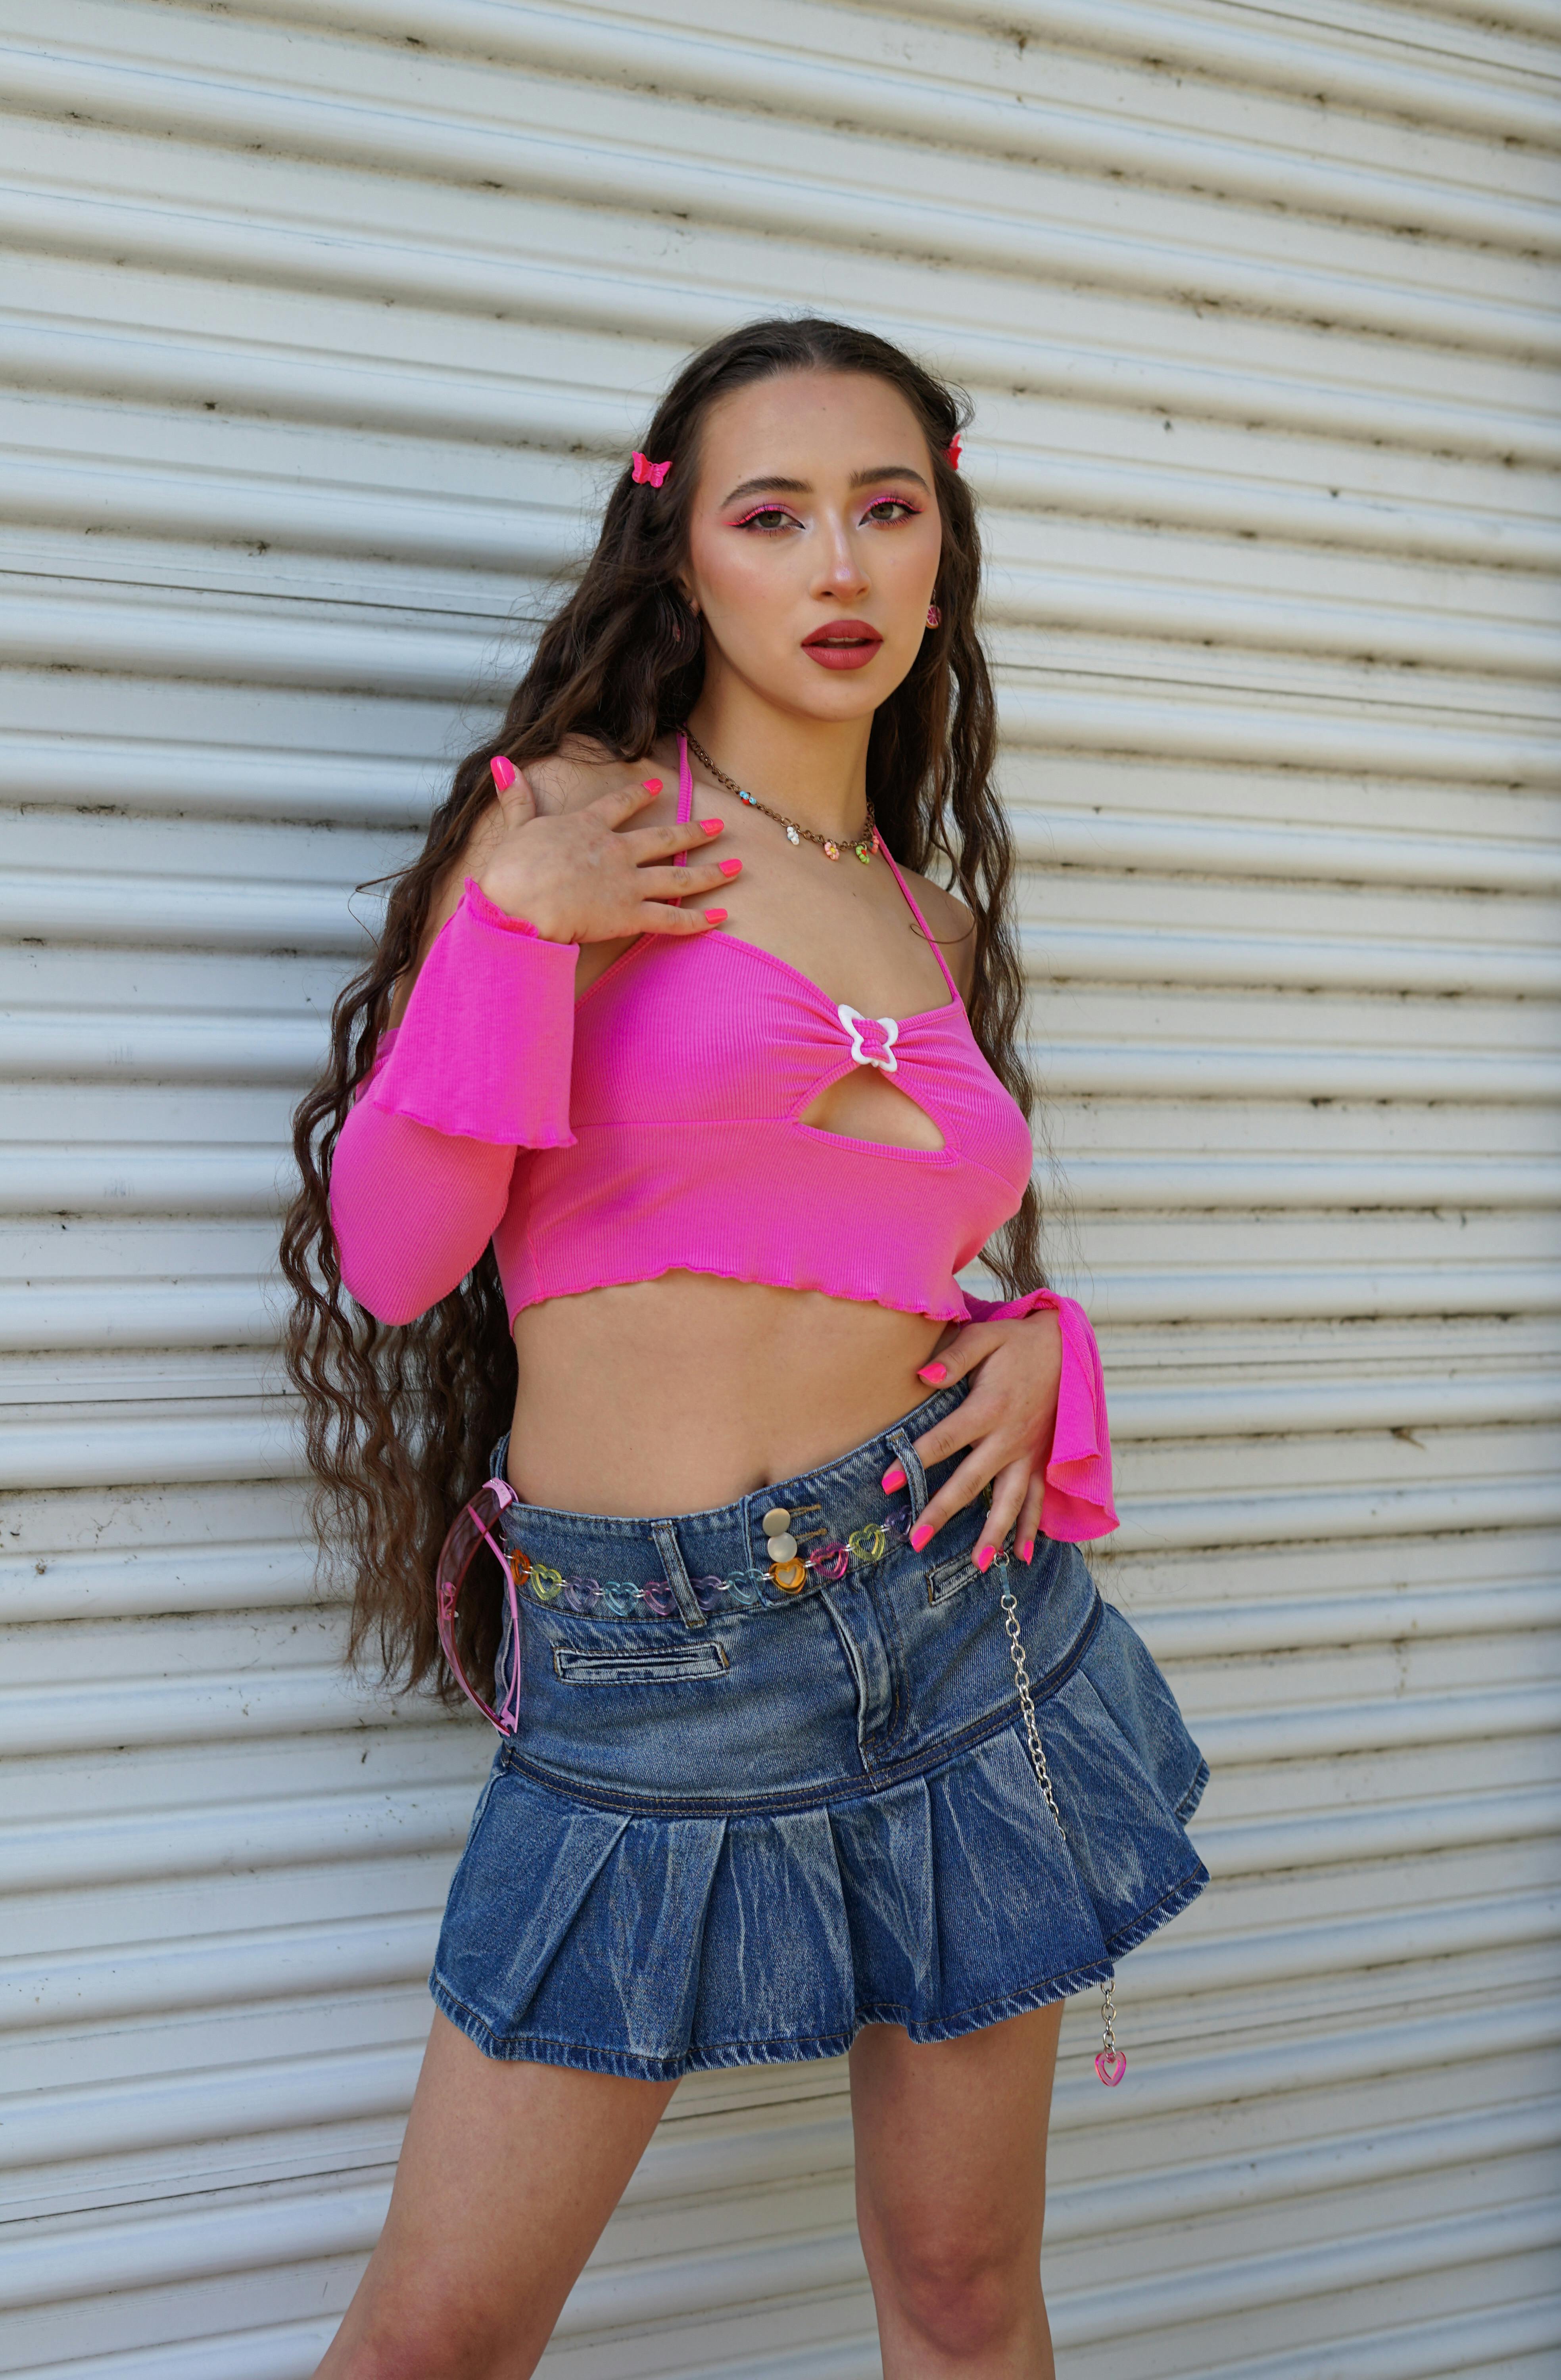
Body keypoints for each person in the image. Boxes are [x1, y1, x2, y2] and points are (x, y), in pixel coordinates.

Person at [282, 315, 1208, 2380]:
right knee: (439, 2337)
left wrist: (1034, 1336)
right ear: (680, 556)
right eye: (773, 515)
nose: (841, 566)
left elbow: (861, 1242)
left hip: (968, 1621)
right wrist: (512, 923)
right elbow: (405, 1254)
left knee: (965, 2305)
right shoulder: (588, 825)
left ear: (943, 551)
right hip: (661, 1658)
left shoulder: (925, 913)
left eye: (890, 511)